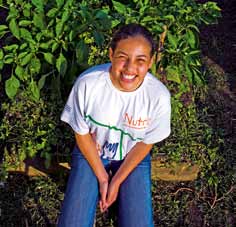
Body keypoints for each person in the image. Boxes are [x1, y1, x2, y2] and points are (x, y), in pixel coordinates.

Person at [58, 23, 171, 227]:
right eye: (122, 57)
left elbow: (145, 143)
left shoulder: (158, 96)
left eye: (140, 60)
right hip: (91, 150)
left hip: (132, 156)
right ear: (111, 54)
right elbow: (81, 134)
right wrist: (103, 178)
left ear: (151, 62)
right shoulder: (88, 84)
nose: (129, 68)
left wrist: (116, 181)